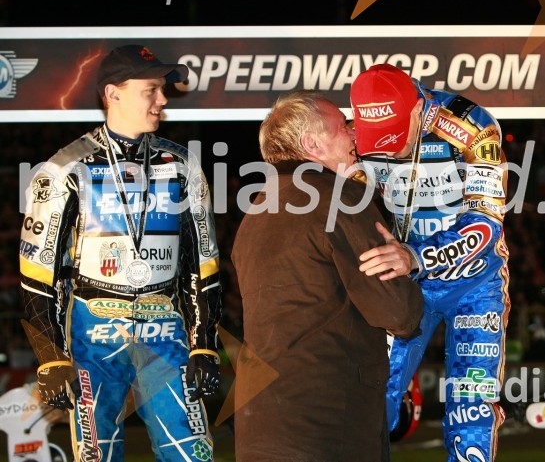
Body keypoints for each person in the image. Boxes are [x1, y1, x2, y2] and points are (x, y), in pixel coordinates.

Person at [19, 45, 223, 461]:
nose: (163, 99)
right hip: (92, 330)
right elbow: (38, 274)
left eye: (163, 89)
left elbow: (203, 263)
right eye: (151, 89)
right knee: (97, 454)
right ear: (113, 93)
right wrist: (50, 356)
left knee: (193, 453)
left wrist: (204, 344)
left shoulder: (183, 166)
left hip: (165, 327)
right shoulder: (63, 170)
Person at [230, 91, 424, 462]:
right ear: (311, 144)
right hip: (329, 420)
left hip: (261, 418)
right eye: (342, 127)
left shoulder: (256, 210)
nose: (354, 134)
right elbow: (398, 313)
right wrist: (410, 265)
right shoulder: (342, 197)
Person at [350, 63, 511, 462]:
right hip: (403, 282)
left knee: (471, 409)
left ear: (418, 110)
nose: (384, 149)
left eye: (393, 136)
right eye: (375, 140)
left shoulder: (472, 124)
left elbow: (487, 226)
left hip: (475, 284)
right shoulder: (353, 136)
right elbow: (347, 213)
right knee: (369, 398)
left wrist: (415, 255)